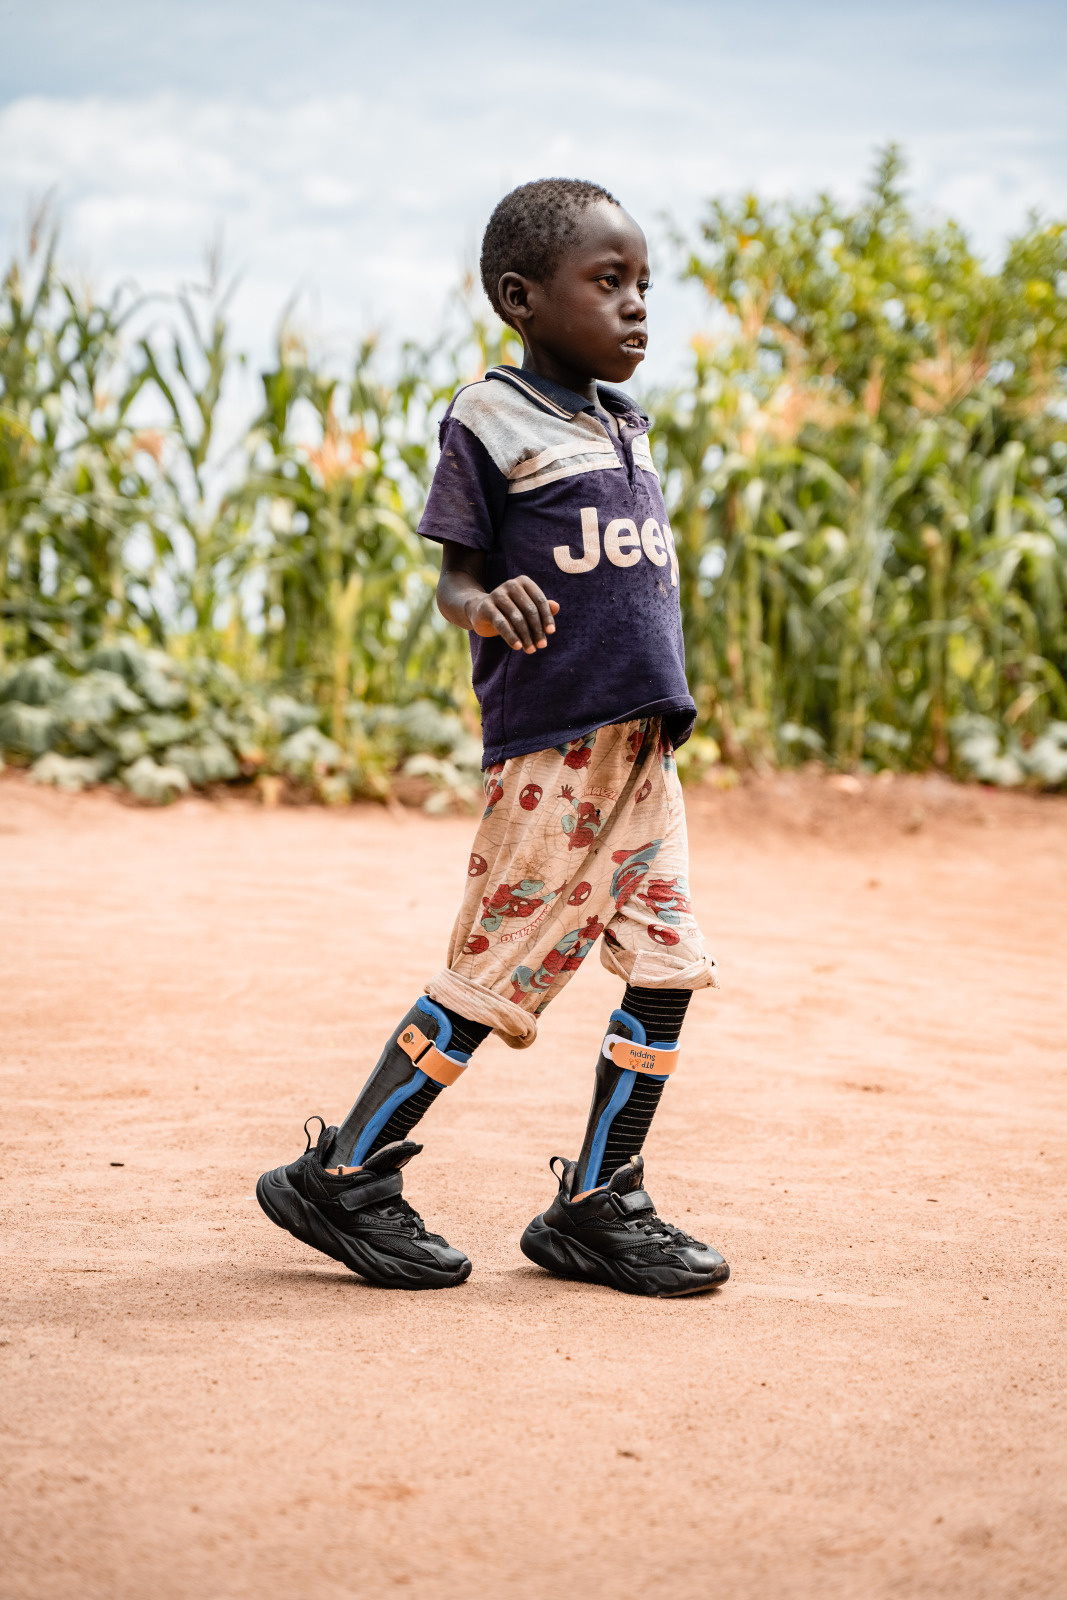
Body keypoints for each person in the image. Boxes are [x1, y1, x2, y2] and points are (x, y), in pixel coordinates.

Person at [257, 179, 729, 1297]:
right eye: (606, 284)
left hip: (638, 759)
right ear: (522, 298)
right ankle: (345, 1171)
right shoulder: (486, 417)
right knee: (493, 971)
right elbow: (453, 585)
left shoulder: (624, 422)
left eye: (642, 286)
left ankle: (598, 1202)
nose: (634, 308)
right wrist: (489, 604)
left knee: (665, 966)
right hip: (551, 755)